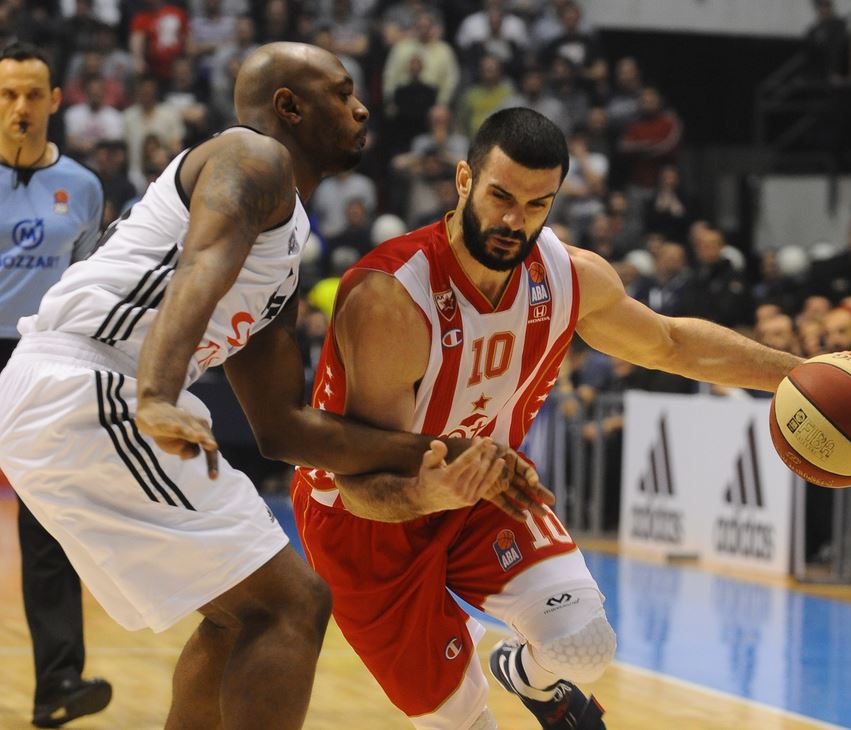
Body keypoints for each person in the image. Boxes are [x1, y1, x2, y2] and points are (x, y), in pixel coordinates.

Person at [0, 43, 543, 730]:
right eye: (343, 93)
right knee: (294, 604)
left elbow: (283, 428)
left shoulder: (281, 246)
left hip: (77, 392)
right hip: (95, 383)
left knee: (240, 616)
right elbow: (202, 262)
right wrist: (159, 394)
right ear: (289, 106)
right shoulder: (251, 156)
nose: (361, 107)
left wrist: (435, 451)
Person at [290, 108, 805, 730]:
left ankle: (526, 676)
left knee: (584, 644)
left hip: (483, 484)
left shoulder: (567, 275)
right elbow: (359, 482)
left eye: (537, 204)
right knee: (460, 720)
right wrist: (431, 488)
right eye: (501, 196)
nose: (515, 220)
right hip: (364, 522)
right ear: (463, 181)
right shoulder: (391, 298)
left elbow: (671, 343)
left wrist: (799, 374)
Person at [0, 41, 112, 728]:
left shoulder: (85, 186)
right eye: (9, 94)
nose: (20, 107)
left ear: (54, 101)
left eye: (32, 95)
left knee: (48, 521)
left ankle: (59, 683)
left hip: (45, 357)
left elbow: (90, 285)